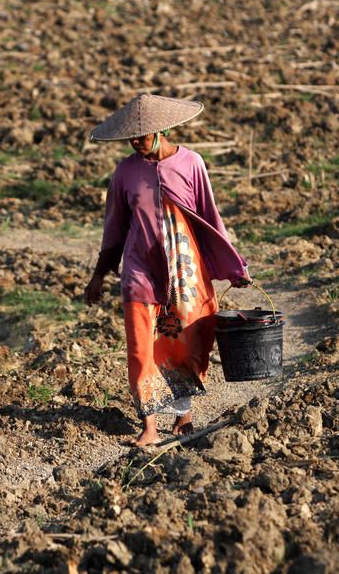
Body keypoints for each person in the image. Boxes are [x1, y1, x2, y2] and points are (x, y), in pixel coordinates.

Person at [83, 94, 251, 447]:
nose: (135, 143)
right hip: (140, 271)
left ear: (162, 131)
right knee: (141, 348)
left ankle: (183, 415)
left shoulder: (191, 163)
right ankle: (149, 426)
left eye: (141, 137)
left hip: (185, 270)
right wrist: (99, 275)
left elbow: (210, 217)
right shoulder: (125, 172)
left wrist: (234, 267)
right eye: (131, 138)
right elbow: (114, 228)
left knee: (186, 341)